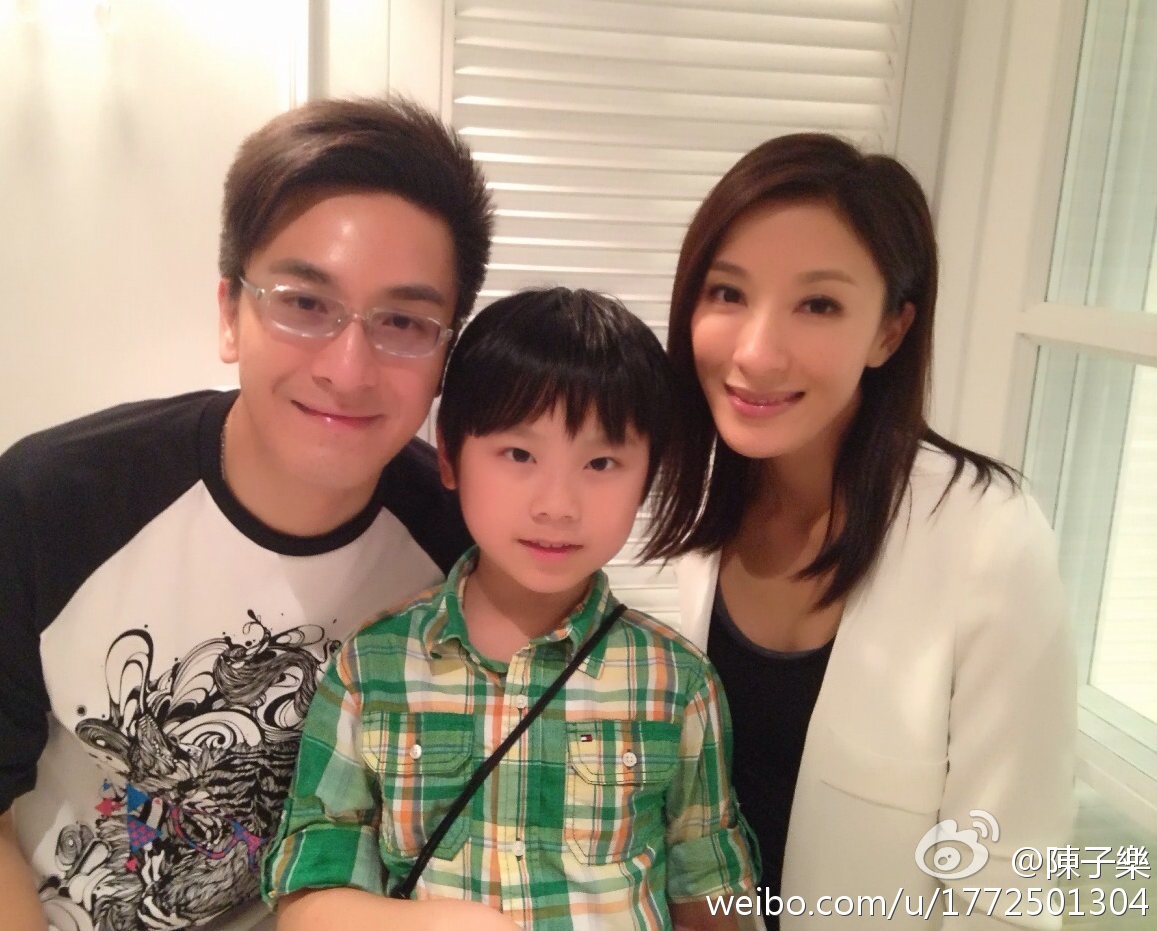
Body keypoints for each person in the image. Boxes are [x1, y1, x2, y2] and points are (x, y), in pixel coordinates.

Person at [0, 96, 493, 931]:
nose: (348, 370)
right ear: (229, 313)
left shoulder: (468, 547)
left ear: (445, 355)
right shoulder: (47, 507)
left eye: (403, 322)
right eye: (304, 303)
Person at [644, 133, 1076, 929]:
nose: (756, 353)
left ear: (890, 331)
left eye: (818, 304)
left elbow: (1008, 886)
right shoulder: (706, 518)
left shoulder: (987, 536)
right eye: (728, 293)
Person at [261, 287, 758, 931]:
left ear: (648, 476)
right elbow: (306, 894)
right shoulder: (373, 667)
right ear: (449, 455)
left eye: (601, 462)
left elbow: (713, 892)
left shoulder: (678, 681)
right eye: (519, 455)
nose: (557, 505)